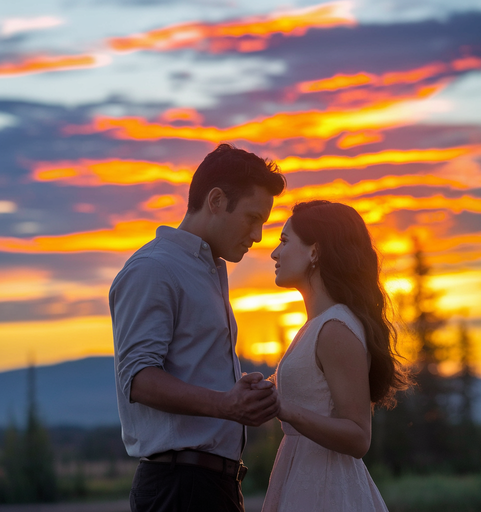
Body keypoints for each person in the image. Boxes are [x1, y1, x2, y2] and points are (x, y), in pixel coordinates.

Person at [109, 143, 286, 512]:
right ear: (217, 200)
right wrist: (226, 404)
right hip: (179, 489)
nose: (258, 236)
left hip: (209, 486)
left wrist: (239, 392)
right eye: (253, 218)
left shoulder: (206, 271)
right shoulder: (155, 269)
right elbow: (138, 379)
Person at [261, 200, 410, 512]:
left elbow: (358, 436)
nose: (275, 253)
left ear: (315, 252)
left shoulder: (335, 329)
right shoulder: (316, 327)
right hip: (304, 478)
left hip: (327, 490)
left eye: (285, 241)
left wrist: (286, 409)